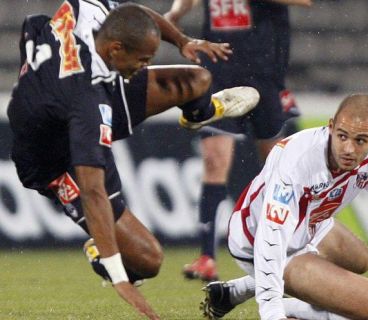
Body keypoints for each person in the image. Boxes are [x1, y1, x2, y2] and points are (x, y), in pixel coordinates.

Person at [7, 1, 260, 319]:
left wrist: (182, 41)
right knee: (147, 260)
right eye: (142, 59)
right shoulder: (85, 100)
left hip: (87, 94)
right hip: (54, 159)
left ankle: (202, 113)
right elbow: (92, 189)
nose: (146, 66)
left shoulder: (85, 11)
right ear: (114, 49)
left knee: (198, 80)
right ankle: (99, 253)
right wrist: (119, 277)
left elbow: (133, 13)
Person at [199, 94, 368, 320]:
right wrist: (272, 311)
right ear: (331, 127)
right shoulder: (297, 160)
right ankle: (291, 309)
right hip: (257, 241)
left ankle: (236, 291)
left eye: (360, 140)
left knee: (359, 258)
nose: (348, 148)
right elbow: (272, 236)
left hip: (308, 227)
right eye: (342, 136)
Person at [165, 0, 311, 282]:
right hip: (220, 70)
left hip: (264, 72)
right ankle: (207, 257)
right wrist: (175, 13)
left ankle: (290, 247)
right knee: (214, 159)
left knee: (276, 166)